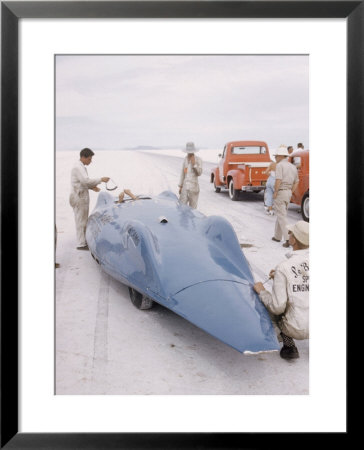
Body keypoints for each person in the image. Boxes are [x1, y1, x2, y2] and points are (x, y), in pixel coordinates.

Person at [254, 220, 309, 360]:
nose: (288, 234)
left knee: (270, 303)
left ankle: (289, 345)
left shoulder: (284, 267)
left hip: (296, 328)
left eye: (290, 233)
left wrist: (262, 291)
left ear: (294, 240)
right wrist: (278, 278)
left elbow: (277, 307)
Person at [69, 148, 109, 250]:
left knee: (82, 219)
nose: (90, 161)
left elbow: (81, 182)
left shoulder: (80, 166)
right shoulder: (78, 167)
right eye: (89, 159)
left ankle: (83, 241)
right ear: (83, 157)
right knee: (81, 220)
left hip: (80, 195)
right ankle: (81, 244)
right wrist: (100, 179)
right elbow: (85, 181)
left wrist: (92, 187)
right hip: (78, 197)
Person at [271, 145, 299, 247]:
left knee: (281, 216)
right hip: (288, 193)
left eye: (276, 156)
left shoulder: (279, 166)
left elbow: (278, 179)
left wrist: (275, 192)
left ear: (280, 156)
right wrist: (291, 191)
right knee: (281, 214)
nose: (275, 158)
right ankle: (277, 237)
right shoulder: (292, 166)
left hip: (281, 191)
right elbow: (296, 182)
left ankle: (288, 239)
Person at [178, 142, 203, 209]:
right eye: (188, 151)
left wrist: (194, 164)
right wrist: (180, 186)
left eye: (191, 151)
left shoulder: (198, 160)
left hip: (194, 188)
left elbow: (199, 173)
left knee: (193, 209)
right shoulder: (185, 160)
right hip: (185, 188)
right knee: (181, 208)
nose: (189, 153)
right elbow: (183, 173)